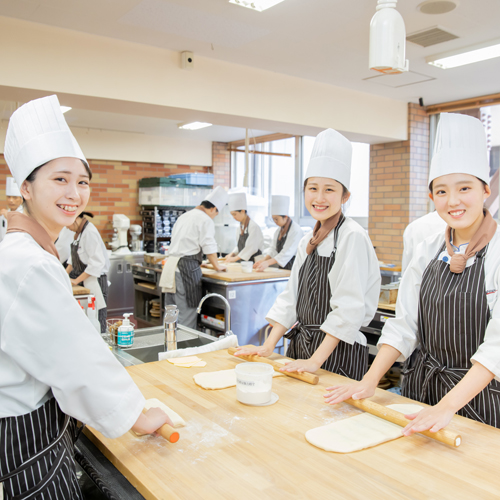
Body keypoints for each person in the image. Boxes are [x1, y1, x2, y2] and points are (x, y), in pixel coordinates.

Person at [0, 95, 171, 500]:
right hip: (26, 429)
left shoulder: (26, 250)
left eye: (82, 181)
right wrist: (136, 415)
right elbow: (73, 358)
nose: (74, 193)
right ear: (26, 186)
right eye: (59, 179)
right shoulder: (29, 262)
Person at [325, 113, 500, 433]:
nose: (454, 200)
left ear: (485, 190)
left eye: (464, 188)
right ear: (432, 197)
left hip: (481, 399)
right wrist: (369, 381)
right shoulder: (427, 249)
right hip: (422, 391)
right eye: (443, 191)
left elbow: (497, 346)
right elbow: (403, 326)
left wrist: (447, 406)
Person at [236, 129, 381, 379]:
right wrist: (268, 345)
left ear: (345, 196)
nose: (319, 198)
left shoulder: (352, 236)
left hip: (338, 352)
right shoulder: (308, 240)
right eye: (313, 188)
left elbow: (348, 309)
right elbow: (291, 298)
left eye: (330, 190)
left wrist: (315, 361)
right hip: (303, 347)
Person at [160, 186, 228, 329]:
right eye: (216, 214)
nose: (213, 217)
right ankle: (186, 350)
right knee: (186, 318)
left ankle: (169, 349)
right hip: (186, 270)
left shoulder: (185, 216)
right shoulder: (205, 219)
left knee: (171, 317)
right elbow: (209, 245)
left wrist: (199, 261)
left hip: (171, 268)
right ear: (213, 208)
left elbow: (184, 244)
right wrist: (217, 266)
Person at [65, 212, 110, 333]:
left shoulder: (89, 232)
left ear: (75, 219)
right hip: (83, 280)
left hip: (95, 282)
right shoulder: (79, 234)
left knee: (97, 320)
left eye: (67, 224)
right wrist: (64, 274)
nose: (66, 227)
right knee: (85, 321)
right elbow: (73, 258)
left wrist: (75, 281)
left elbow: (96, 263)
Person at [254, 195, 304, 272]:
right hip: (283, 268)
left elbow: (286, 253)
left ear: (286, 217)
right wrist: (263, 260)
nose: (275, 222)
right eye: (273, 219)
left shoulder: (295, 230)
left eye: (276, 219)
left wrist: (267, 263)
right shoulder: (279, 230)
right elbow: (273, 249)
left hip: (294, 267)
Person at [224, 192, 264, 263]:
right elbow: (240, 247)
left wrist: (235, 258)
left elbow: (251, 248)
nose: (234, 217)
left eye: (235, 214)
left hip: (254, 263)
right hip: (244, 262)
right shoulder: (239, 228)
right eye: (232, 215)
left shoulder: (253, 226)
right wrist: (232, 254)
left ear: (242, 211)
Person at [0, 177, 23, 243]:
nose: (11, 200)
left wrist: (9, 216)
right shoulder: (3, 214)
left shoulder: (25, 214)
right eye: (9, 197)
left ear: (21, 200)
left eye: (15, 197)